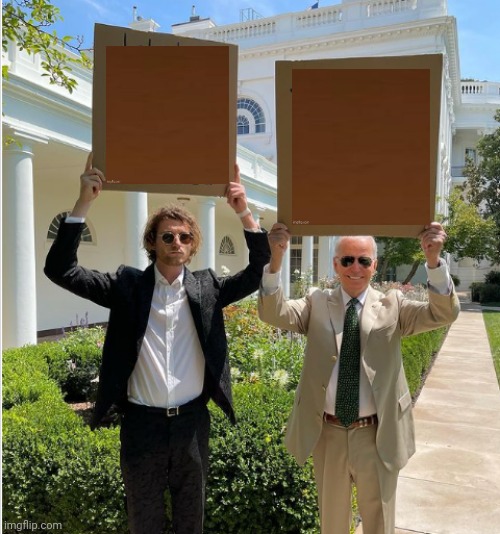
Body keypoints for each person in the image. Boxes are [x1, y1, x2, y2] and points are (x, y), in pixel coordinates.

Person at [44, 153, 270, 534]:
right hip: (141, 426)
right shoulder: (126, 286)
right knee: (143, 522)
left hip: (192, 426)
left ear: (193, 244)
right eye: (167, 235)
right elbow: (60, 269)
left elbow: (257, 270)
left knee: (189, 522)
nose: (176, 242)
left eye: (184, 237)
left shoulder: (209, 289)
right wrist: (85, 201)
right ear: (153, 241)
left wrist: (244, 211)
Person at [258, 222, 460, 534]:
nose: (355, 268)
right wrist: (276, 260)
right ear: (335, 264)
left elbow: (442, 314)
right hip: (329, 432)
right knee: (333, 524)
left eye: (363, 260)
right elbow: (274, 313)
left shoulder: (393, 305)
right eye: (347, 260)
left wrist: (433, 261)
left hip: (377, 434)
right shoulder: (316, 302)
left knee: (379, 522)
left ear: (374, 266)